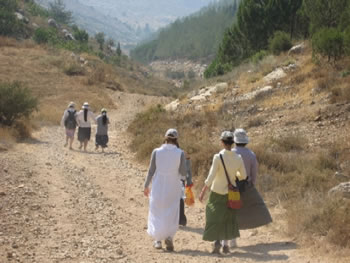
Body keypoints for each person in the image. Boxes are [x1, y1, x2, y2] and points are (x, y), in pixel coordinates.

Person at [199, 131, 247, 254]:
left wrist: (203, 190)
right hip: (231, 194)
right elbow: (243, 176)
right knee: (228, 218)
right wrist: (234, 174)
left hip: (217, 191)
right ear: (233, 143)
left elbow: (211, 175)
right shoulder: (238, 158)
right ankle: (226, 245)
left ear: (222, 142)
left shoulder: (218, 157)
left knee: (214, 216)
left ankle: (217, 241)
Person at [144, 128, 187, 251]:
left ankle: (157, 241)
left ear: (165, 138)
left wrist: (146, 185)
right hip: (173, 186)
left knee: (157, 210)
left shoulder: (156, 152)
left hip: (158, 185)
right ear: (176, 139)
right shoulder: (180, 153)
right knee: (171, 211)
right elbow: (183, 172)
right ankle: (169, 237)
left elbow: (151, 171)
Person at [230, 128, 272, 247]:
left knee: (232, 210)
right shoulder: (251, 154)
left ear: (235, 140)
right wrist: (251, 184)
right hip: (246, 185)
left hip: (231, 185)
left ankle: (232, 238)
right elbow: (254, 172)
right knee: (253, 207)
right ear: (245, 141)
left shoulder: (231, 153)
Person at [179, 152, 193, 226]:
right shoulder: (183, 154)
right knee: (180, 200)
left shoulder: (170, 154)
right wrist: (189, 181)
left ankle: (175, 219)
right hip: (181, 180)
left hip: (173, 180)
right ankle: (181, 220)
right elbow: (188, 171)